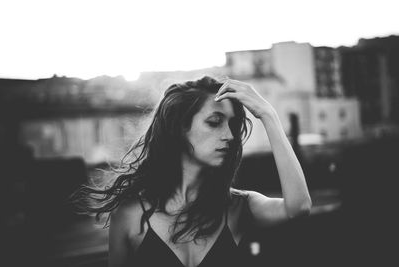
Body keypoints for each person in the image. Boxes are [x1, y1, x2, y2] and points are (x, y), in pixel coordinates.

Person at [72, 76, 312, 267]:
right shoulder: (130, 214)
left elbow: (299, 207)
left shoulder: (239, 206)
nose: (229, 136)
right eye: (214, 121)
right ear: (179, 128)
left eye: (233, 125)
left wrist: (268, 115)